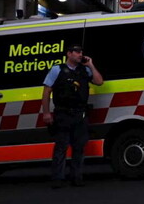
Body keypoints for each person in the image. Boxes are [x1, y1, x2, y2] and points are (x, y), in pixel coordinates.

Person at [41, 44, 104, 188]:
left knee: (79, 147)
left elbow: (99, 81)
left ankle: (76, 177)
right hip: (63, 114)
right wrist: (46, 112)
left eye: (81, 51)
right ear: (69, 54)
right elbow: (46, 92)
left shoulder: (84, 70)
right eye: (76, 52)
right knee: (61, 147)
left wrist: (91, 65)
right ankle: (58, 178)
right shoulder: (57, 70)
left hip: (80, 114)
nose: (80, 54)